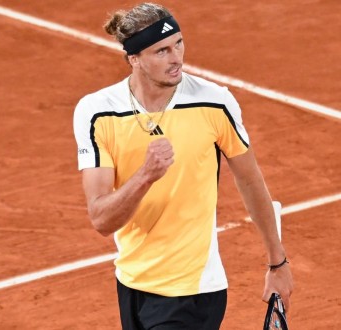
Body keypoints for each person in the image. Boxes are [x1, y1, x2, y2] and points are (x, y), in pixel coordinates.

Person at [73, 3, 294, 329]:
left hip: (193, 291)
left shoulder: (214, 102)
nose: (176, 57)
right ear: (134, 58)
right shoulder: (97, 112)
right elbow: (102, 219)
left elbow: (250, 181)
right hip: (132, 282)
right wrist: (146, 175)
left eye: (178, 43)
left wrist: (279, 264)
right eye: (161, 51)